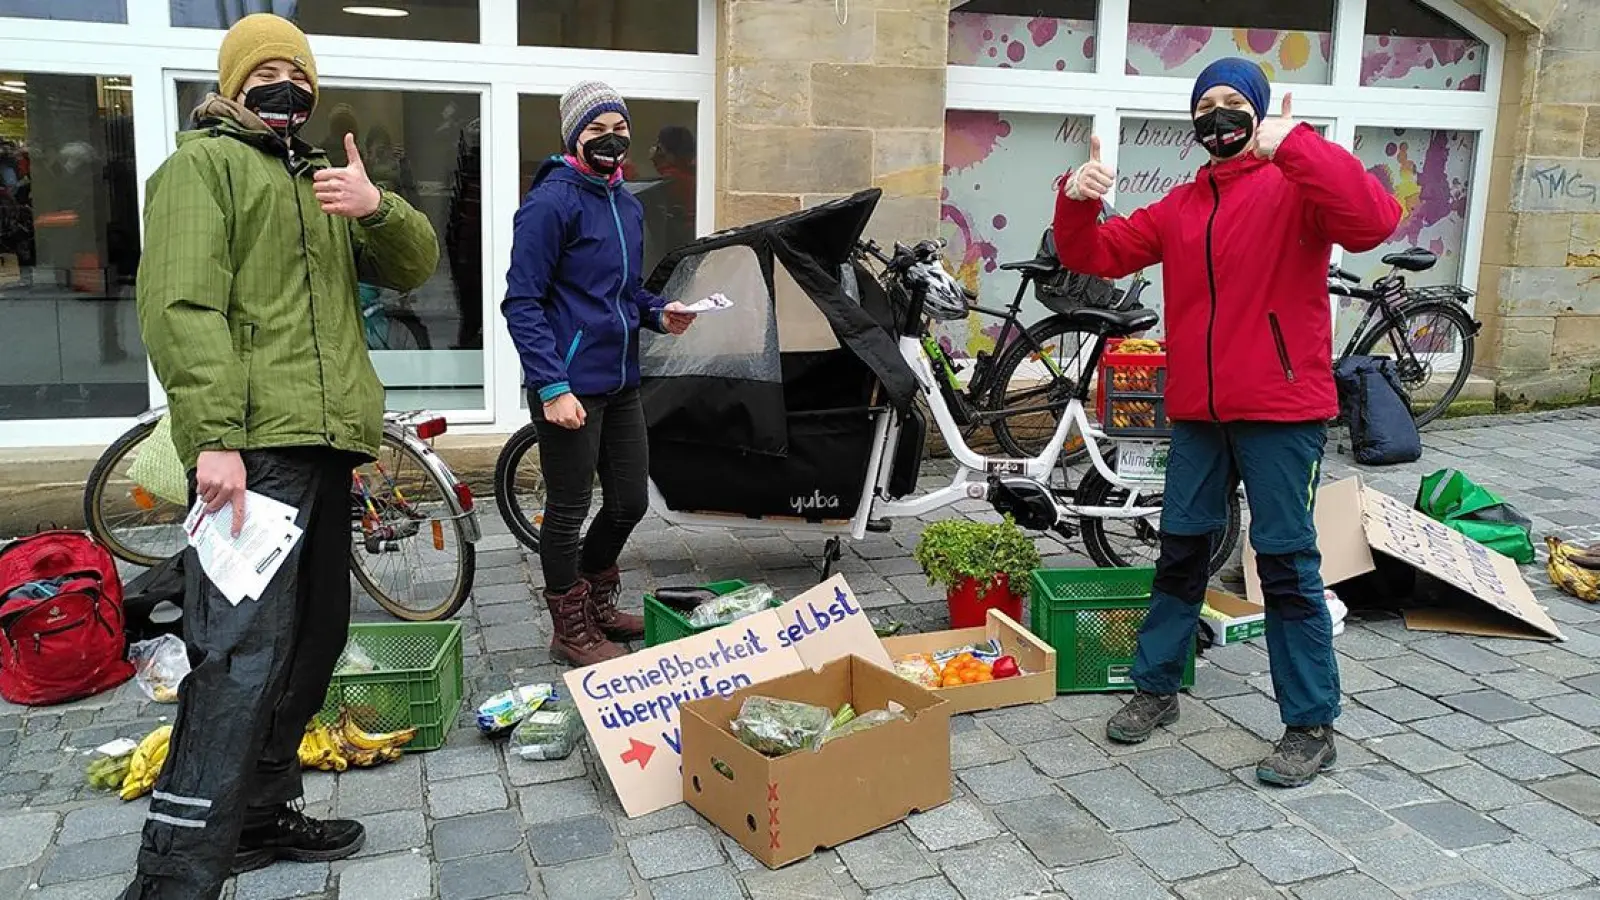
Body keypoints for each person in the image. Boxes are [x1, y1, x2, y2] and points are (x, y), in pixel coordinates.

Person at [123, 14, 438, 898]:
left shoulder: (320, 180)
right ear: (233, 84)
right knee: (238, 659)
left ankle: (260, 816)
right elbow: (181, 308)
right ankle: (173, 874)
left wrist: (379, 208)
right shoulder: (202, 169)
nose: (285, 87)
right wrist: (215, 438)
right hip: (253, 455)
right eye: (265, 72)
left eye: (298, 75)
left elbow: (415, 264)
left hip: (327, 445)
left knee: (313, 640)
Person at [1053, 58, 1402, 787]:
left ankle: (1311, 725)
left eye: (1233, 101)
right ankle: (1157, 686)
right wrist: (1076, 200)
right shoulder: (1181, 206)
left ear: (1260, 112)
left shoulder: (1295, 187)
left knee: (1285, 563)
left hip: (1282, 411)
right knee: (1181, 551)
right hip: (1199, 414)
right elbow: (1094, 254)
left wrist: (1296, 144)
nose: (1217, 114)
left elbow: (1375, 221)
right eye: (1205, 102)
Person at [504, 81, 699, 667]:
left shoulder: (627, 204)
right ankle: (570, 628)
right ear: (573, 137)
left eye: (619, 130)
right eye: (596, 130)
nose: (610, 140)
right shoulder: (550, 204)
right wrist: (552, 386)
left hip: (621, 381)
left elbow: (623, 292)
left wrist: (659, 313)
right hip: (568, 385)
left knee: (629, 502)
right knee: (568, 509)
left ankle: (594, 602)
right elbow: (522, 302)